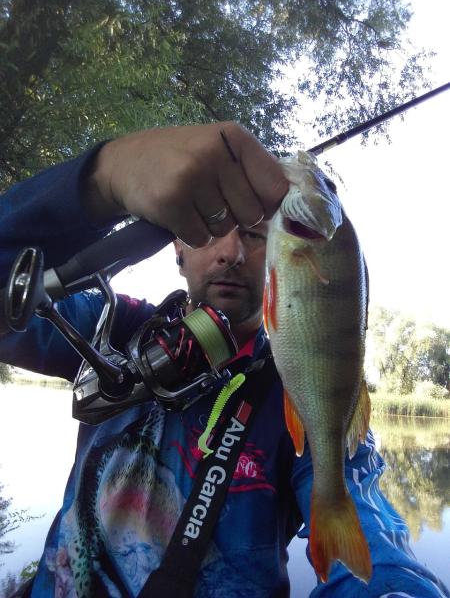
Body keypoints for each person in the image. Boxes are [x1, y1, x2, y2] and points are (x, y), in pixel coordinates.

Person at [0, 122, 448, 598]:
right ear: (176, 243)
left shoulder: (306, 397)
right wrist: (101, 179)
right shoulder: (114, 327)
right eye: (211, 228)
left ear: (279, 253)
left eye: (253, 234)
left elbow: (378, 551)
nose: (231, 252)